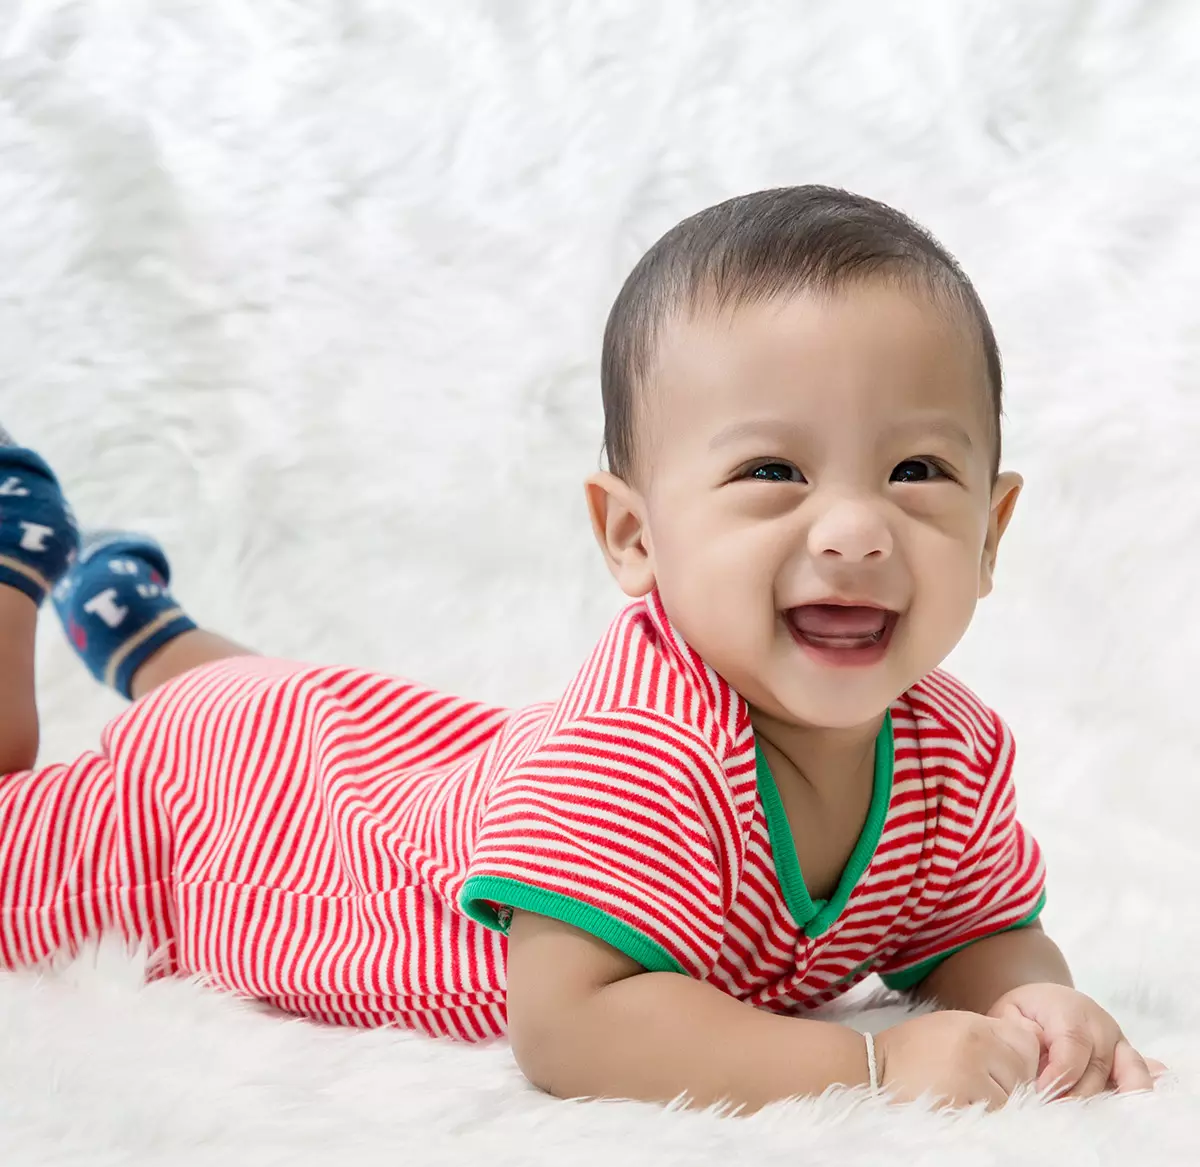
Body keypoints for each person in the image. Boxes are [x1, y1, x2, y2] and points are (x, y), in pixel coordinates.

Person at [0, 186, 1160, 1112]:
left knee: (278, 702)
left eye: (917, 472)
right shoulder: (636, 756)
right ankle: (18, 563)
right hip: (231, 828)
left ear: (992, 530)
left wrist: (1032, 1002)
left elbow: (978, 929)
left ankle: (147, 631)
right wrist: (873, 1071)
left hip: (346, 743)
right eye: (772, 474)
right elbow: (573, 1026)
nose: (856, 530)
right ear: (633, 535)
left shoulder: (950, 753)